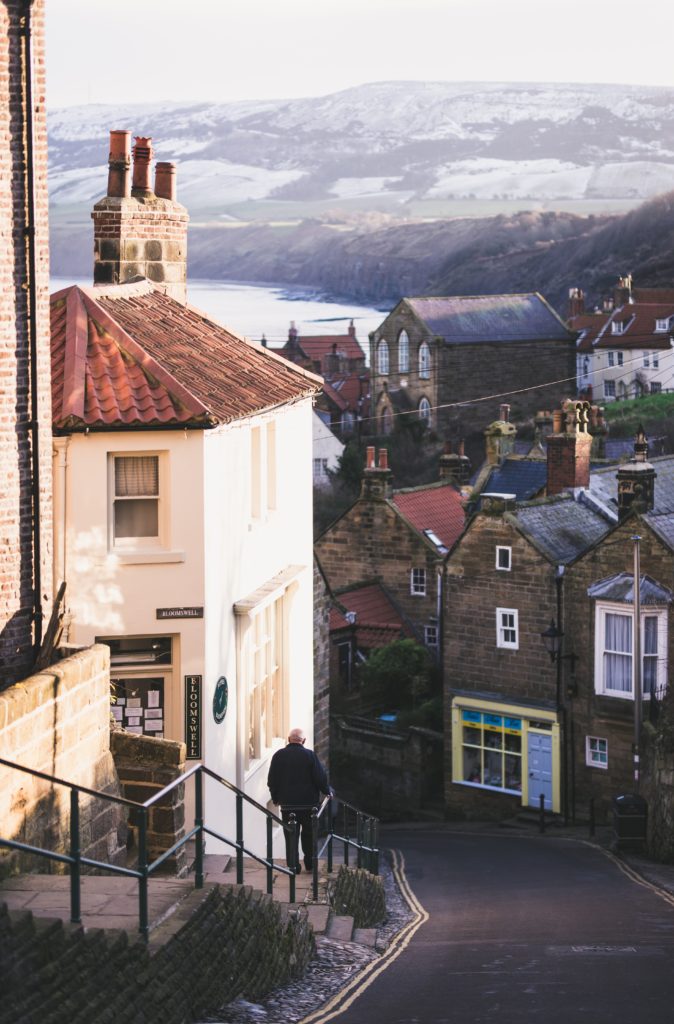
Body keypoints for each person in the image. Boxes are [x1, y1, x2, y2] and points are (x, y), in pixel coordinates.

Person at [267, 727, 330, 873]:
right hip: (309, 805)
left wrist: (275, 798)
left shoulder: (278, 755)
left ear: (288, 740)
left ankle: (293, 866)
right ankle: (310, 864)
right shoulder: (310, 755)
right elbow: (320, 778)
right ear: (304, 741)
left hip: (288, 806)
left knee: (290, 836)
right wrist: (327, 791)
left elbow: (272, 780)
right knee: (309, 835)